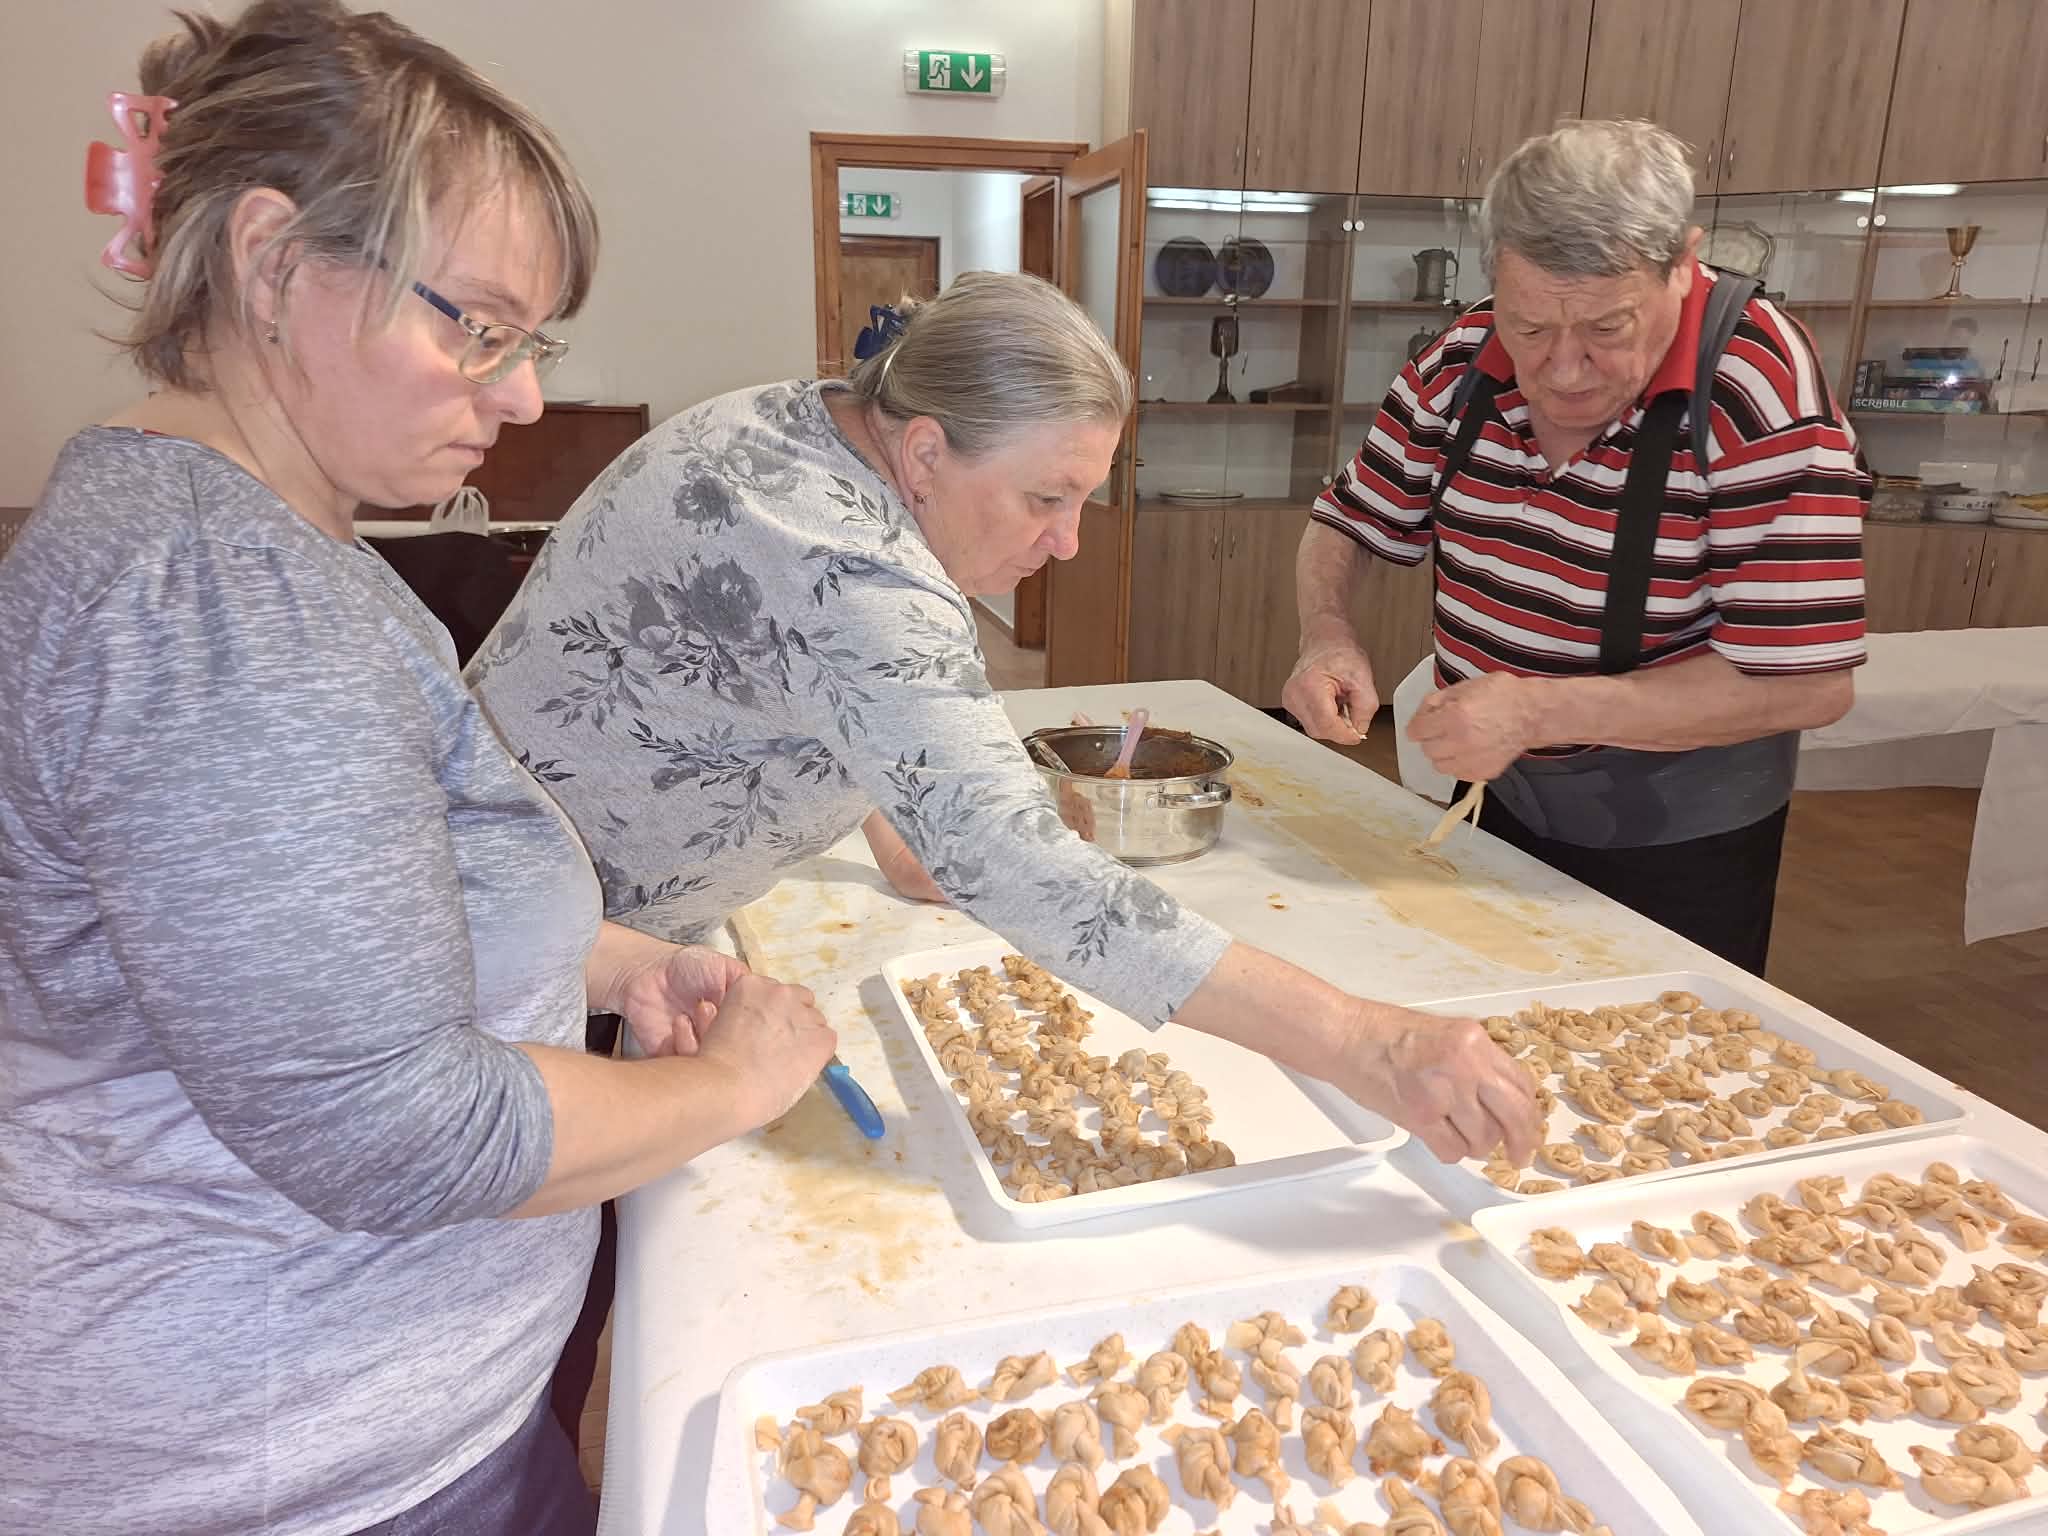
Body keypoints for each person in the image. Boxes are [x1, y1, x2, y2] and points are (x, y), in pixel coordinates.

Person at [0, 5, 831, 1534]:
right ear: (271, 264)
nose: (521, 398)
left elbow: (357, 911)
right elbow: (398, 1132)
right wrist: (728, 1087)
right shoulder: (220, 602)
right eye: (478, 328)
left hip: (383, 1434)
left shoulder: (276, 550)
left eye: (530, 343)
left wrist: (611, 962)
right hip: (290, 1470)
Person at [467, 272, 1542, 1171]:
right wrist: (1367, 1041)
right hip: (513, 953)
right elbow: (1018, 864)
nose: (1067, 542)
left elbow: (808, 679)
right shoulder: (850, 564)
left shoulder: (794, 419)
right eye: (1045, 499)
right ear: (926, 454)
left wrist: (903, 819)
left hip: (556, 907)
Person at [1283, 120, 1868, 974]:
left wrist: (1536, 714)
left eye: (1606, 327)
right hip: (1494, 791)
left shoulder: (1759, 391)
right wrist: (1327, 635)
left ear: (1683, 263)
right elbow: (1349, 520)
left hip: (1677, 832)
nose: (1562, 370)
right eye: (1530, 327)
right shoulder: (1460, 361)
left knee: (1637, 1043)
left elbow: (1810, 684)